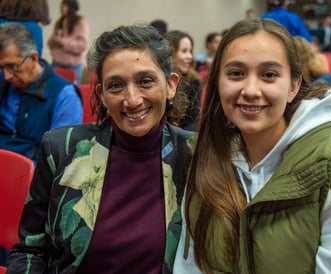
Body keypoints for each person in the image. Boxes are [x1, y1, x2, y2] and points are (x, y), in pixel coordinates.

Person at [173, 18, 331, 273]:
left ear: (294, 86)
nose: (251, 90)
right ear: (218, 83)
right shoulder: (207, 156)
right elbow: (190, 265)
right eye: (236, 73)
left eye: (269, 75)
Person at [6, 23, 194, 273]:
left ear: (170, 85)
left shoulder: (197, 154)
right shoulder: (62, 149)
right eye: (116, 85)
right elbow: (30, 250)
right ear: (102, 95)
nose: (132, 99)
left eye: (145, 81)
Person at [0, 22, 82, 163]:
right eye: (1, 68)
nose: (7, 76)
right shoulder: (4, 83)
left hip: (34, 175)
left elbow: (59, 157)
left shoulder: (65, 96)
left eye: (12, 66)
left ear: (33, 58)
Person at [166, 30, 202, 131]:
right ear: (171, 53)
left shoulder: (194, 81)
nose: (190, 56)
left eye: (190, 51)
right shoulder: (160, 80)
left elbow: (192, 120)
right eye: (184, 51)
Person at [47, 0, 89, 84]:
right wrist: (52, 41)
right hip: (57, 64)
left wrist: (62, 41)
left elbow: (81, 45)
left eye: (63, 6)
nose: (61, 9)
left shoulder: (80, 22)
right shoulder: (59, 22)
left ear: (71, 7)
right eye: (61, 6)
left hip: (73, 66)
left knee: (71, 92)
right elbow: (52, 41)